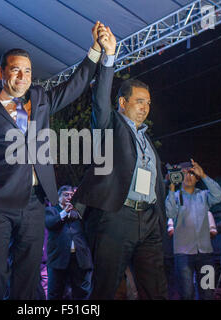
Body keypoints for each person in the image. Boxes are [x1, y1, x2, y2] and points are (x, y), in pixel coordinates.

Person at [0, 22, 107, 300]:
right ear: (1, 72)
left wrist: (95, 50)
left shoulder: (40, 99)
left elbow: (75, 86)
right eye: (16, 69)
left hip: (34, 202)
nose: (23, 76)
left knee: (26, 277)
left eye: (28, 71)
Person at [72, 26, 169, 300]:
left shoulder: (146, 140)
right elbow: (100, 100)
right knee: (105, 290)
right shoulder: (110, 124)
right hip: (117, 217)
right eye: (139, 102)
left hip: (148, 220)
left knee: (157, 291)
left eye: (148, 103)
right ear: (122, 103)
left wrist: (159, 220)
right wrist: (109, 57)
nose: (145, 107)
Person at [165, 163, 221, 300]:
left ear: (197, 178)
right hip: (183, 255)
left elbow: (219, 195)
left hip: (206, 255)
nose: (188, 176)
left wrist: (204, 175)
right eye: (184, 173)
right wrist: (172, 188)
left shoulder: (204, 196)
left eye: (191, 173)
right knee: (187, 294)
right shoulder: (174, 196)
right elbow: (170, 212)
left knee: (208, 293)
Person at [45, 185, 92, 300]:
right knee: (55, 292)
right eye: (66, 195)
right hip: (58, 259)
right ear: (59, 196)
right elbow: (50, 223)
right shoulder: (52, 210)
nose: (69, 197)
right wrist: (64, 212)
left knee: (81, 293)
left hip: (79, 258)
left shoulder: (79, 212)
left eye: (72, 195)